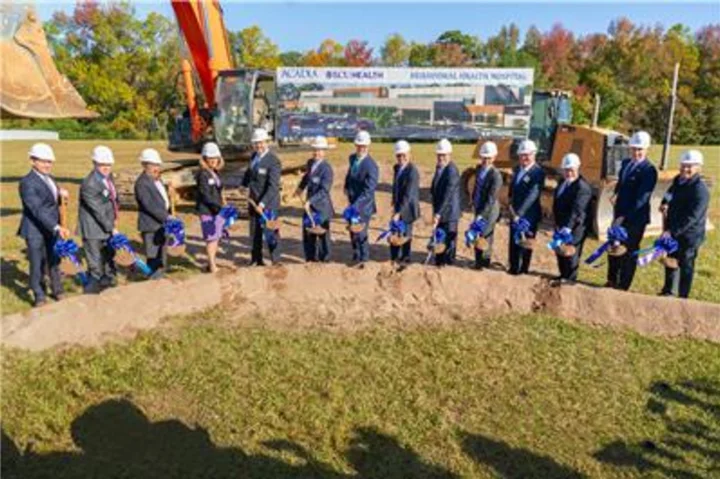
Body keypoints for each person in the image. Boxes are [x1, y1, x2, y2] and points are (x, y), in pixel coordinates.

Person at [17, 143, 70, 307]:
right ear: (32, 161)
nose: (47, 165)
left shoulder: (50, 178)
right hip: (35, 230)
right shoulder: (27, 182)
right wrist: (56, 227)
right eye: (43, 161)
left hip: (52, 228)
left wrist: (61, 192)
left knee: (54, 260)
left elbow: (52, 197)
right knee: (37, 263)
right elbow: (37, 209)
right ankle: (39, 294)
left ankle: (57, 289)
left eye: (49, 162)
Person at [607, 130, 658, 290]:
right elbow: (621, 184)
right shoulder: (626, 164)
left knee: (629, 251)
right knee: (613, 246)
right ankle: (612, 280)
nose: (636, 152)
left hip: (636, 218)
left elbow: (642, 199)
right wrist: (615, 193)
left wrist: (624, 218)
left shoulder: (649, 170)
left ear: (646, 149)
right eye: (634, 149)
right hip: (619, 214)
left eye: (640, 149)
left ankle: (623, 285)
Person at [659, 150, 710, 299]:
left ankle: (683, 297)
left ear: (698, 168)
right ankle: (668, 291)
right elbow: (669, 194)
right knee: (670, 260)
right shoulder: (677, 181)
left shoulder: (700, 191)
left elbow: (692, 217)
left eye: (690, 166)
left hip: (690, 235)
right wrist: (664, 203)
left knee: (686, 264)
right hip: (673, 229)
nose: (685, 169)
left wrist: (672, 232)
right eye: (683, 165)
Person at [78, 145, 119, 293]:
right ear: (94, 164)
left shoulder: (108, 178)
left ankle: (107, 281)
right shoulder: (89, 183)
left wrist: (114, 218)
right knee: (94, 259)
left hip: (106, 224)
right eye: (102, 165)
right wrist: (111, 227)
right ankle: (92, 288)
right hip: (92, 227)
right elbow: (98, 211)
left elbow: (113, 199)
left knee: (108, 255)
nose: (106, 168)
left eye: (108, 164)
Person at [242, 128, 282, 266]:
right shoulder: (254, 157)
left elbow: (273, 187)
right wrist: (243, 185)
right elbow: (249, 174)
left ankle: (276, 260)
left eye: (261, 143)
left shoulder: (273, 161)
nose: (259, 145)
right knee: (254, 232)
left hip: (268, 203)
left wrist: (263, 204)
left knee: (270, 232)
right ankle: (256, 259)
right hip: (254, 201)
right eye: (256, 143)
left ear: (267, 142)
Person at [551, 153, 593, 282]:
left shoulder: (582, 188)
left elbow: (577, 211)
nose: (569, 173)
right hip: (561, 224)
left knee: (570, 253)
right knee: (559, 250)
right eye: (566, 170)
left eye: (571, 170)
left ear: (577, 168)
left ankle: (570, 278)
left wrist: (568, 228)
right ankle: (563, 275)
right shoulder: (562, 183)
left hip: (575, 227)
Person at [508, 139, 545, 275]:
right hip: (515, 213)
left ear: (533, 154)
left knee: (526, 244)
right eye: (522, 155)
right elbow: (513, 188)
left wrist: (520, 213)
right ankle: (513, 268)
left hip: (529, 215)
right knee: (513, 241)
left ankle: (524, 270)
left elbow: (533, 194)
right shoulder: (518, 169)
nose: (524, 158)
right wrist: (510, 201)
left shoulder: (537, 173)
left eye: (527, 155)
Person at [296, 136, 334, 262]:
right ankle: (310, 259)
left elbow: (324, 190)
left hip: (322, 208)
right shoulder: (310, 163)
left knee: (323, 236)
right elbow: (307, 178)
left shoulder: (327, 169)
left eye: (319, 150)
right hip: (309, 207)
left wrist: (310, 201)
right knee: (308, 234)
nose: (316, 152)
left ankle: (325, 260)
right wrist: (300, 188)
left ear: (324, 152)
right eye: (315, 150)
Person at [343, 130, 378, 267]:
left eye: (364, 146)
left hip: (364, 206)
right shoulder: (352, 158)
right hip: (352, 202)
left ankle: (364, 258)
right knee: (353, 231)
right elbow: (349, 173)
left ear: (368, 147)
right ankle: (356, 254)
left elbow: (368, 191)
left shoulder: (371, 166)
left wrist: (356, 206)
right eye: (359, 146)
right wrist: (346, 186)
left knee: (361, 232)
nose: (361, 149)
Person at [134, 148, 170, 279]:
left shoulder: (157, 180)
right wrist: (167, 217)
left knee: (162, 253)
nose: (156, 167)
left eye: (157, 165)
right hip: (151, 225)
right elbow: (149, 206)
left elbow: (162, 199)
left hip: (162, 223)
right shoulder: (142, 183)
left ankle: (160, 277)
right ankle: (153, 280)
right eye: (153, 165)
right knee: (153, 255)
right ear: (144, 165)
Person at [471, 141, 503, 269]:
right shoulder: (479, 170)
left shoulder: (496, 175)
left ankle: (484, 263)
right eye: (484, 157)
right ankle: (478, 261)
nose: (486, 160)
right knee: (477, 234)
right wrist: (473, 201)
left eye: (488, 158)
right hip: (479, 208)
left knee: (485, 236)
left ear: (494, 158)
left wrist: (481, 215)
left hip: (489, 211)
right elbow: (476, 187)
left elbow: (491, 198)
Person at [195, 142, 225, 273]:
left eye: (215, 157)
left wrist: (223, 201)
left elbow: (217, 191)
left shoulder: (214, 172)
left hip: (216, 210)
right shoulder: (203, 174)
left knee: (216, 237)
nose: (213, 160)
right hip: (207, 211)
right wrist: (219, 207)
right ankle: (212, 265)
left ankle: (211, 263)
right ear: (205, 159)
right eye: (210, 158)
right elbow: (206, 195)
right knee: (211, 238)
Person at [430, 138, 460, 266]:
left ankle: (448, 265)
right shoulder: (439, 167)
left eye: (444, 155)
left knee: (448, 242)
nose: (441, 157)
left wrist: (438, 214)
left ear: (449, 155)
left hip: (449, 213)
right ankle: (439, 261)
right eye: (439, 154)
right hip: (440, 211)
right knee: (439, 238)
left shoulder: (452, 170)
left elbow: (448, 195)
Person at [390, 140, 420, 264]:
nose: (401, 158)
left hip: (408, 208)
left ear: (409, 154)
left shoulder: (412, 172)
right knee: (395, 231)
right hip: (398, 205)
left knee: (406, 234)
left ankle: (406, 258)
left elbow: (409, 195)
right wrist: (393, 200)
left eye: (404, 155)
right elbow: (396, 185)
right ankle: (394, 257)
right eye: (398, 155)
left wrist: (399, 212)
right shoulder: (397, 168)